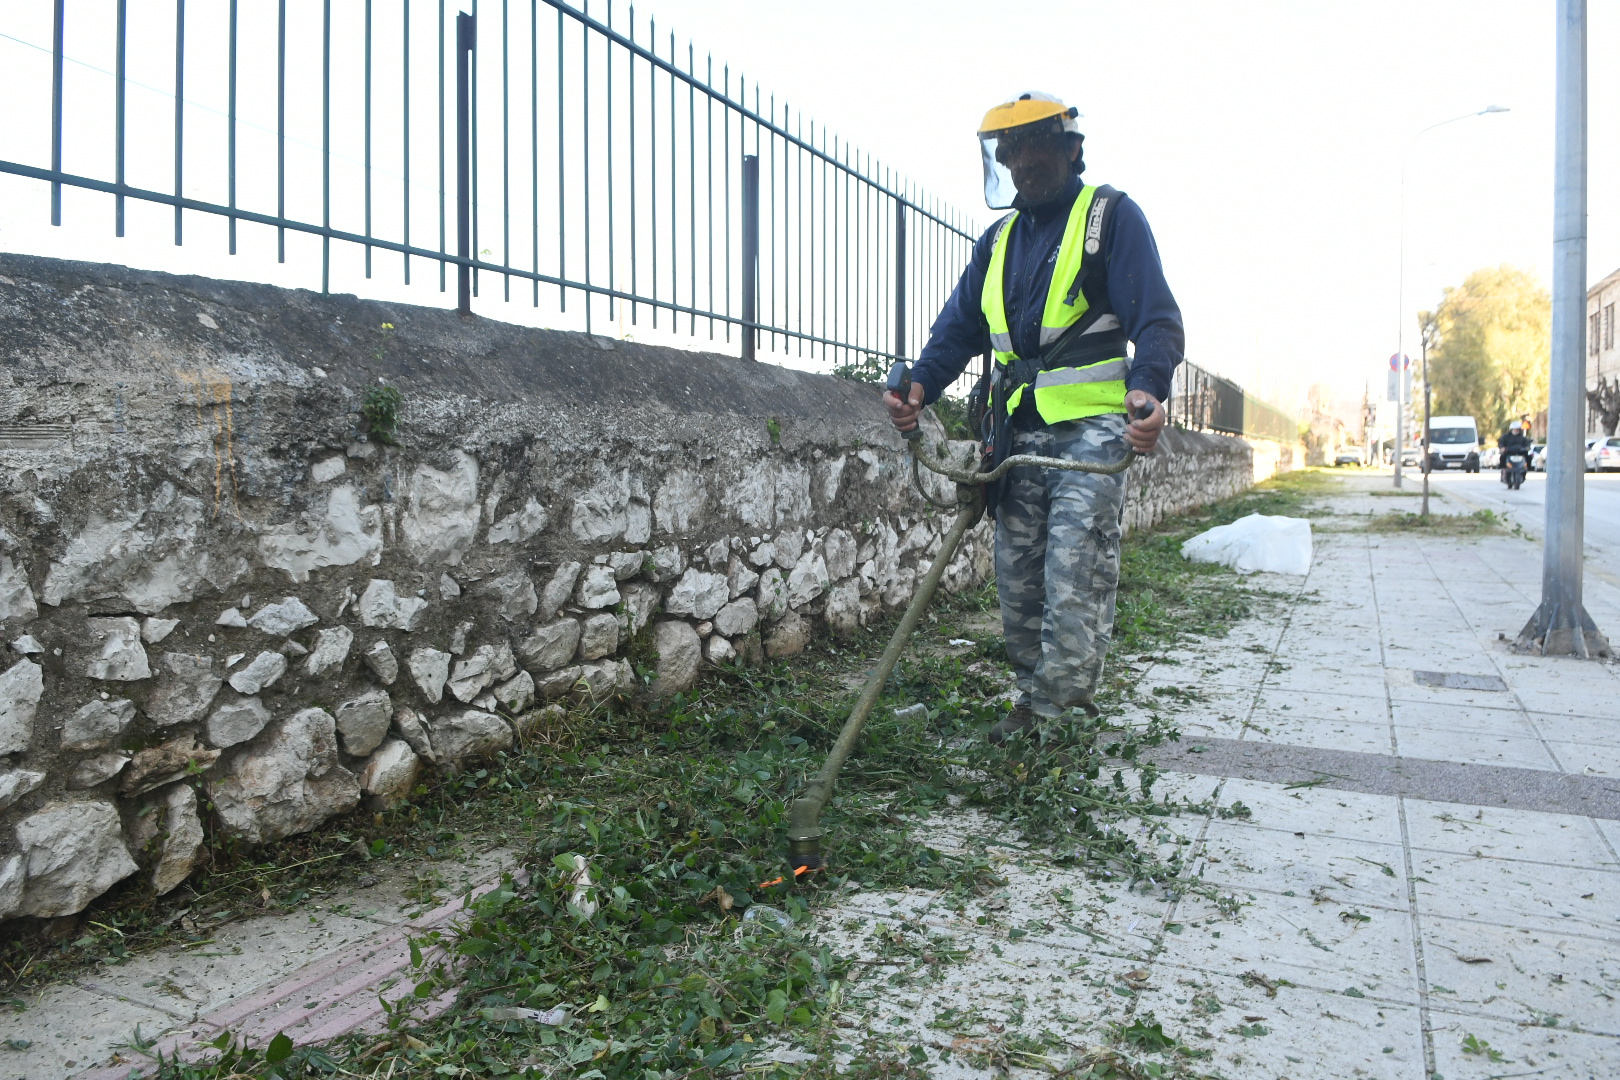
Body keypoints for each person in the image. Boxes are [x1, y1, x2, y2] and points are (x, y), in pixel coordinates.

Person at [882, 92, 1184, 743]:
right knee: (1018, 578)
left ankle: (1060, 713)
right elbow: (957, 329)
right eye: (1012, 154)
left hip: (1093, 437)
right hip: (1016, 438)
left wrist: (1148, 390)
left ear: (1070, 149)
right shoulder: (997, 244)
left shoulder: (1109, 218)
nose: (1024, 165)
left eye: (1036, 149)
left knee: (1074, 569)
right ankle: (1031, 698)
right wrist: (921, 385)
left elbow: (1156, 318)